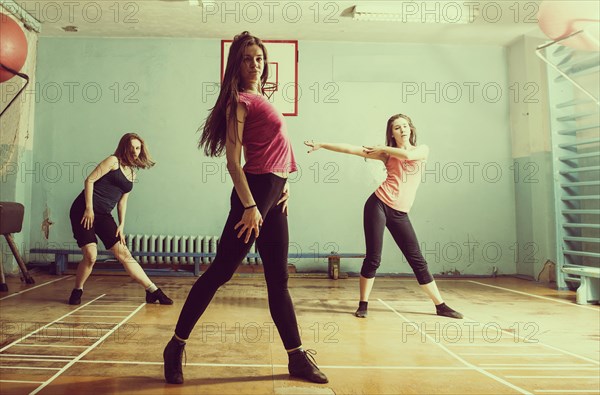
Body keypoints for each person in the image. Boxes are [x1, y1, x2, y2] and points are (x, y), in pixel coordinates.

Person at [162, 31, 328, 385]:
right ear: (236, 65)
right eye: (248, 59)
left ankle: (297, 358)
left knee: (278, 280)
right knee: (220, 272)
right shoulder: (238, 101)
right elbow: (234, 163)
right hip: (252, 197)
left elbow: (273, 151)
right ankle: (175, 346)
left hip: (273, 195)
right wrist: (251, 205)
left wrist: (285, 186)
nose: (255, 64)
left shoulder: (260, 96)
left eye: (259, 59)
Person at [304, 114, 463, 320]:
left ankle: (440, 305)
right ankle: (363, 304)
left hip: (400, 212)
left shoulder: (422, 150)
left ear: (411, 129)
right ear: (392, 133)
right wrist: (323, 144)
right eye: (397, 128)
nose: (402, 130)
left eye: (405, 126)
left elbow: (407, 157)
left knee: (417, 260)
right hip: (378, 205)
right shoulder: (386, 155)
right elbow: (351, 149)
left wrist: (384, 148)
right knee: (373, 258)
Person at [68, 133, 173, 306]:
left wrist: (122, 225)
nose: (135, 151)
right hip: (84, 210)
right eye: (131, 147)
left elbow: (122, 202)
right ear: (124, 147)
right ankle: (77, 289)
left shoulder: (132, 174)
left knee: (124, 253)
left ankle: (153, 291)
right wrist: (89, 208)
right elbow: (89, 181)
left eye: (138, 148)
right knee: (91, 256)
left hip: (103, 215)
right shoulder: (113, 161)